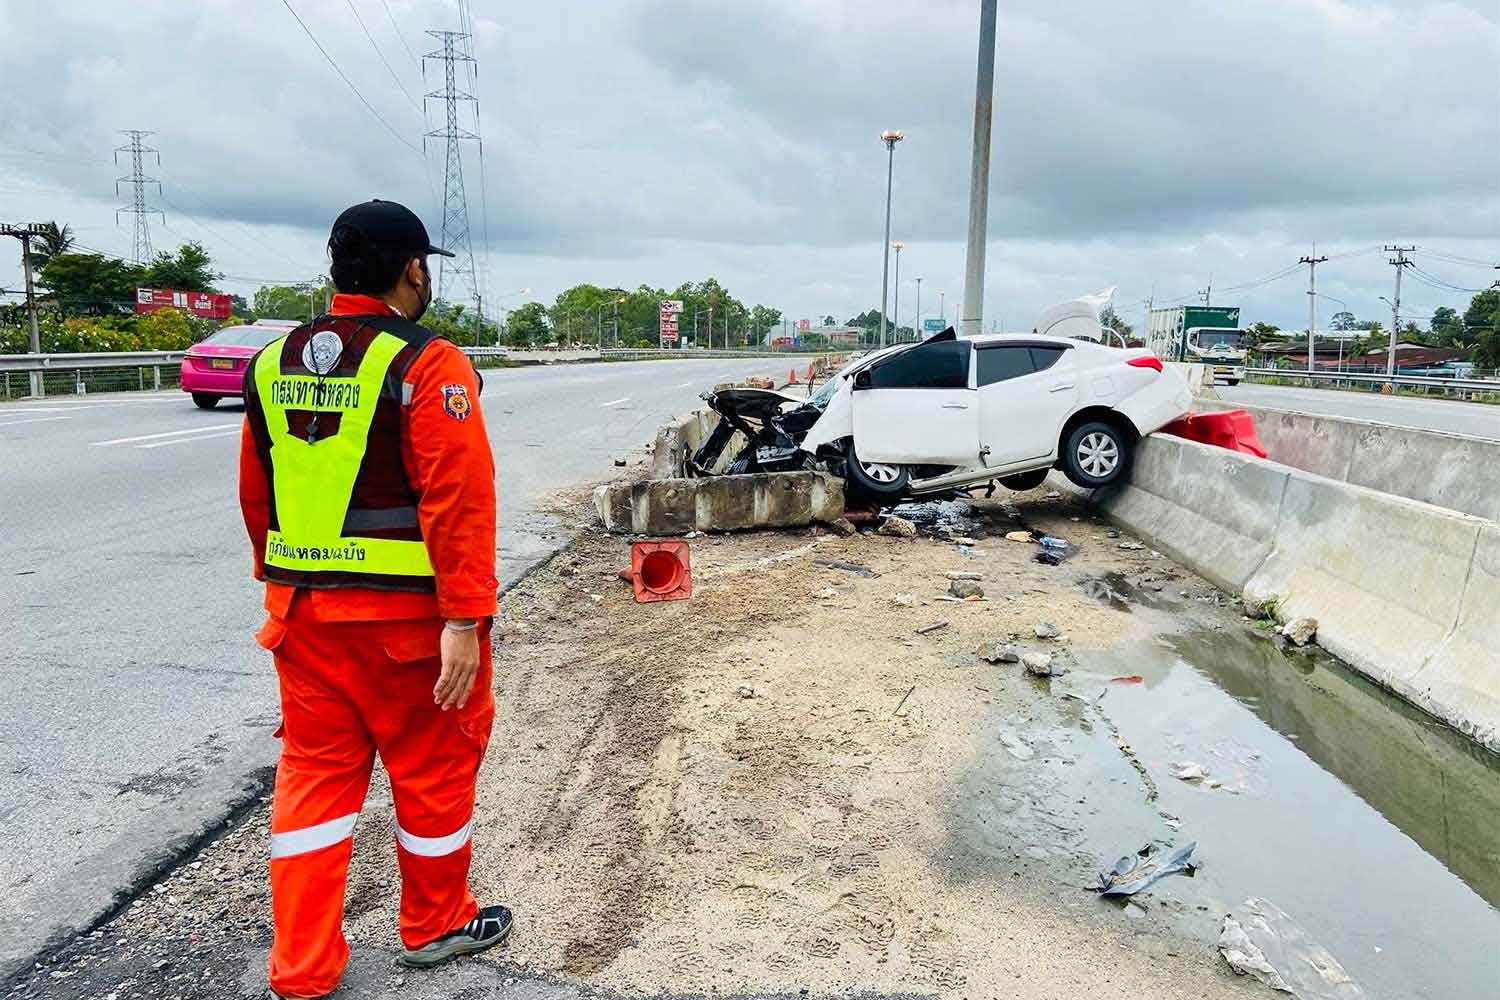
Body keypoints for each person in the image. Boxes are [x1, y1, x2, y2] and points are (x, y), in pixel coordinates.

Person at [238, 199, 510, 999]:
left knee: (315, 782)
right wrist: (465, 617)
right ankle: (435, 925)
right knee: (432, 773)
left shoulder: (271, 362)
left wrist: (284, 583)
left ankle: (302, 967)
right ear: (413, 270)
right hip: (409, 630)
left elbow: (259, 494)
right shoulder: (427, 362)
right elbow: (458, 500)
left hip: (303, 621)